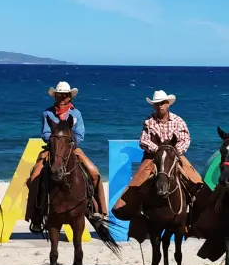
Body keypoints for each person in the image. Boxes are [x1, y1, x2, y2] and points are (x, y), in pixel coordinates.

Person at [26, 82, 108, 232]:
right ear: (55, 96)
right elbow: (44, 133)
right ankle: (36, 215)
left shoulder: (76, 114)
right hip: (52, 148)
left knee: (94, 173)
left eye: (65, 95)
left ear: (70, 97)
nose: (62, 98)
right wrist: (55, 139)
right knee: (34, 176)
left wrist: (69, 141)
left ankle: (96, 208)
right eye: (59, 95)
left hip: (72, 148)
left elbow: (80, 134)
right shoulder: (47, 113)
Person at [111, 90, 205, 220]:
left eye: (162, 103)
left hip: (173, 155)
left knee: (194, 179)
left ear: (168, 104)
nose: (159, 106)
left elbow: (185, 139)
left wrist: (174, 151)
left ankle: (197, 207)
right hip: (153, 157)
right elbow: (143, 140)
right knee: (138, 182)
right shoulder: (149, 122)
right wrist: (158, 149)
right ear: (154, 106)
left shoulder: (178, 121)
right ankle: (129, 208)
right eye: (157, 104)